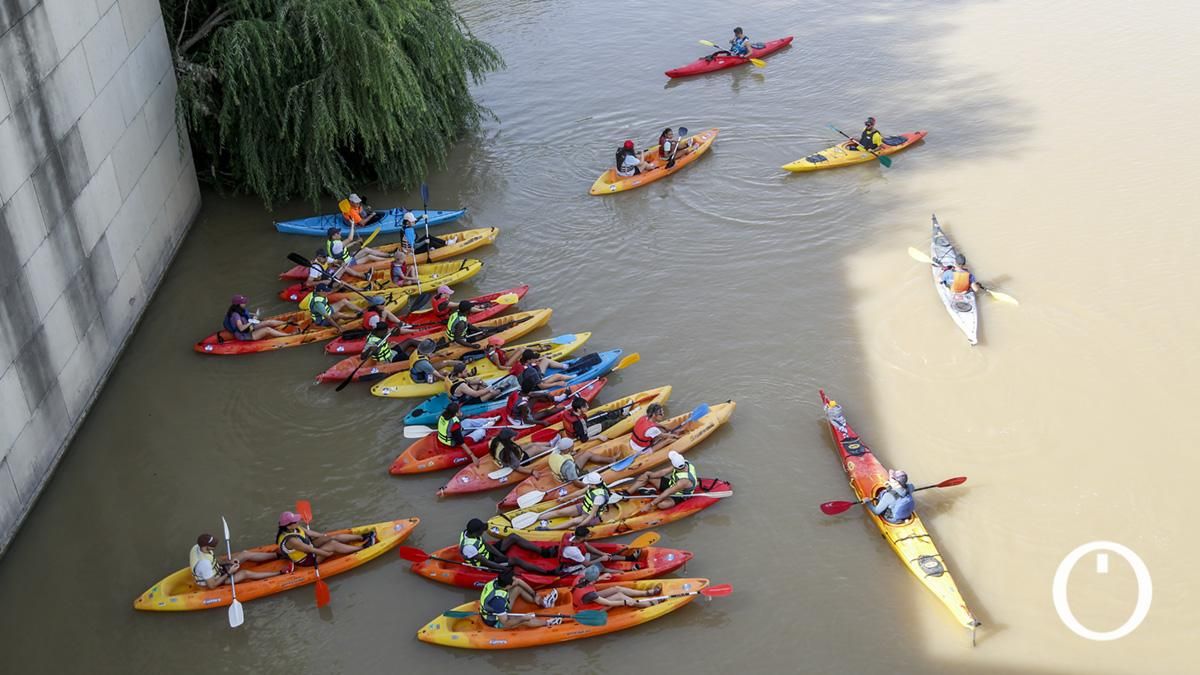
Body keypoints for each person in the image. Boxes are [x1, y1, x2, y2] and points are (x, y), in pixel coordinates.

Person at [276, 511, 376, 569]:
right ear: (288, 525)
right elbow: (310, 550)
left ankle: (363, 537)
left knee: (331, 538)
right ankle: (362, 547)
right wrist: (325, 553)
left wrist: (324, 537)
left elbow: (310, 533)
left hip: (309, 547)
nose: (298, 521)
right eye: (295, 521)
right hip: (307, 560)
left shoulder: (294, 527)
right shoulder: (292, 541)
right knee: (332, 544)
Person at [458, 518, 555, 573]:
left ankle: (543, 552)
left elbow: (487, 545)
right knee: (516, 560)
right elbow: (486, 562)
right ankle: (547, 572)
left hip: (488, 554)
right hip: (486, 563)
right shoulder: (469, 548)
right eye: (481, 531)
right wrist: (505, 569)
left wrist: (501, 556)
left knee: (513, 537)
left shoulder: (469, 533)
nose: (483, 532)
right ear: (476, 532)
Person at [189, 533, 281, 589]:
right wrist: (229, 572)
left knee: (245, 553)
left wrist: (228, 562)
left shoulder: (197, 547)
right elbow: (212, 586)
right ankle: (279, 573)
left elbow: (213, 559)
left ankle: (277, 555)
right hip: (216, 580)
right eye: (212, 545)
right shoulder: (204, 564)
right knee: (245, 573)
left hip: (218, 571)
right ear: (205, 546)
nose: (215, 546)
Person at [479, 570, 561, 629]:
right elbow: (506, 622)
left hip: (500, 607)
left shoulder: (497, 581)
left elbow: (518, 582)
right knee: (525, 620)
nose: (516, 580)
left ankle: (544, 603)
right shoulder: (498, 601)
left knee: (518, 588)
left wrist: (535, 595)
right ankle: (549, 623)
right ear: (507, 586)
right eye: (513, 580)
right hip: (495, 620)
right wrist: (523, 618)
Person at [624, 450, 698, 512]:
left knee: (661, 505)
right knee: (647, 474)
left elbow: (668, 492)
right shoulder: (683, 463)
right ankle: (627, 493)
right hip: (672, 484)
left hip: (679, 495)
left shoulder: (683, 481)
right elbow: (663, 472)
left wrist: (651, 504)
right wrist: (649, 476)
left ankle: (652, 494)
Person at [536, 472, 613, 531]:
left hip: (591, 516)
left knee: (573, 521)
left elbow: (591, 516)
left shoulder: (599, 497)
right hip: (584, 507)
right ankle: (537, 517)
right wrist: (565, 498)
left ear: (593, 484)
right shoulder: (594, 485)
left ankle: (550, 529)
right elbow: (579, 492)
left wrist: (578, 527)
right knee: (560, 512)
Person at [571, 564, 663, 611]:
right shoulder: (590, 594)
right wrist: (626, 602)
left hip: (588, 600)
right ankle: (647, 604)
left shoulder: (580, 578)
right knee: (619, 596)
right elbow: (609, 603)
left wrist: (600, 578)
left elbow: (589, 582)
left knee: (616, 588)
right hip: (588, 609)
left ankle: (646, 593)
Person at [555, 526, 634, 576]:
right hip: (570, 567)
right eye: (588, 536)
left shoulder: (573, 537)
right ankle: (621, 572)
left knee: (597, 556)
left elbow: (587, 546)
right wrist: (601, 559)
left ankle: (629, 558)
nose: (589, 536)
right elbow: (587, 564)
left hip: (579, 558)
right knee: (598, 567)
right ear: (582, 537)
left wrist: (602, 554)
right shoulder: (573, 550)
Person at [223, 294, 289, 340]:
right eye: (243, 302)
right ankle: (287, 335)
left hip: (250, 328)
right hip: (245, 335)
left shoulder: (239, 309)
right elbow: (241, 328)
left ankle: (287, 322)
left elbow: (246, 314)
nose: (245, 303)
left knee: (269, 322)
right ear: (238, 304)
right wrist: (251, 322)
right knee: (267, 329)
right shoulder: (235, 315)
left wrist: (255, 315)